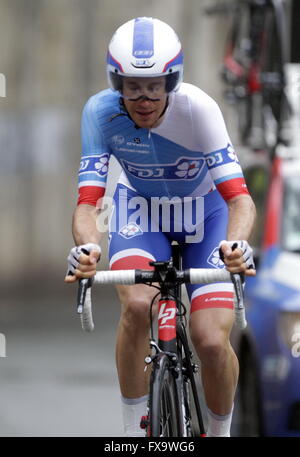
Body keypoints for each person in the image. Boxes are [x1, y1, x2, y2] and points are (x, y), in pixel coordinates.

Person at [65, 17, 256, 437]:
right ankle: (135, 430)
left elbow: (239, 199)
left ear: (174, 81)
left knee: (209, 338)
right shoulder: (99, 112)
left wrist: (236, 244)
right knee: (136, 306)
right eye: (132, 86)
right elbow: (88, 204)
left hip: (206, 215)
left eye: (157, 85)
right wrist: (88, 250)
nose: (145, 98)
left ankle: (219, 432)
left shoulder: (198, 109)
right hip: (140, 210)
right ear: (116, 82)